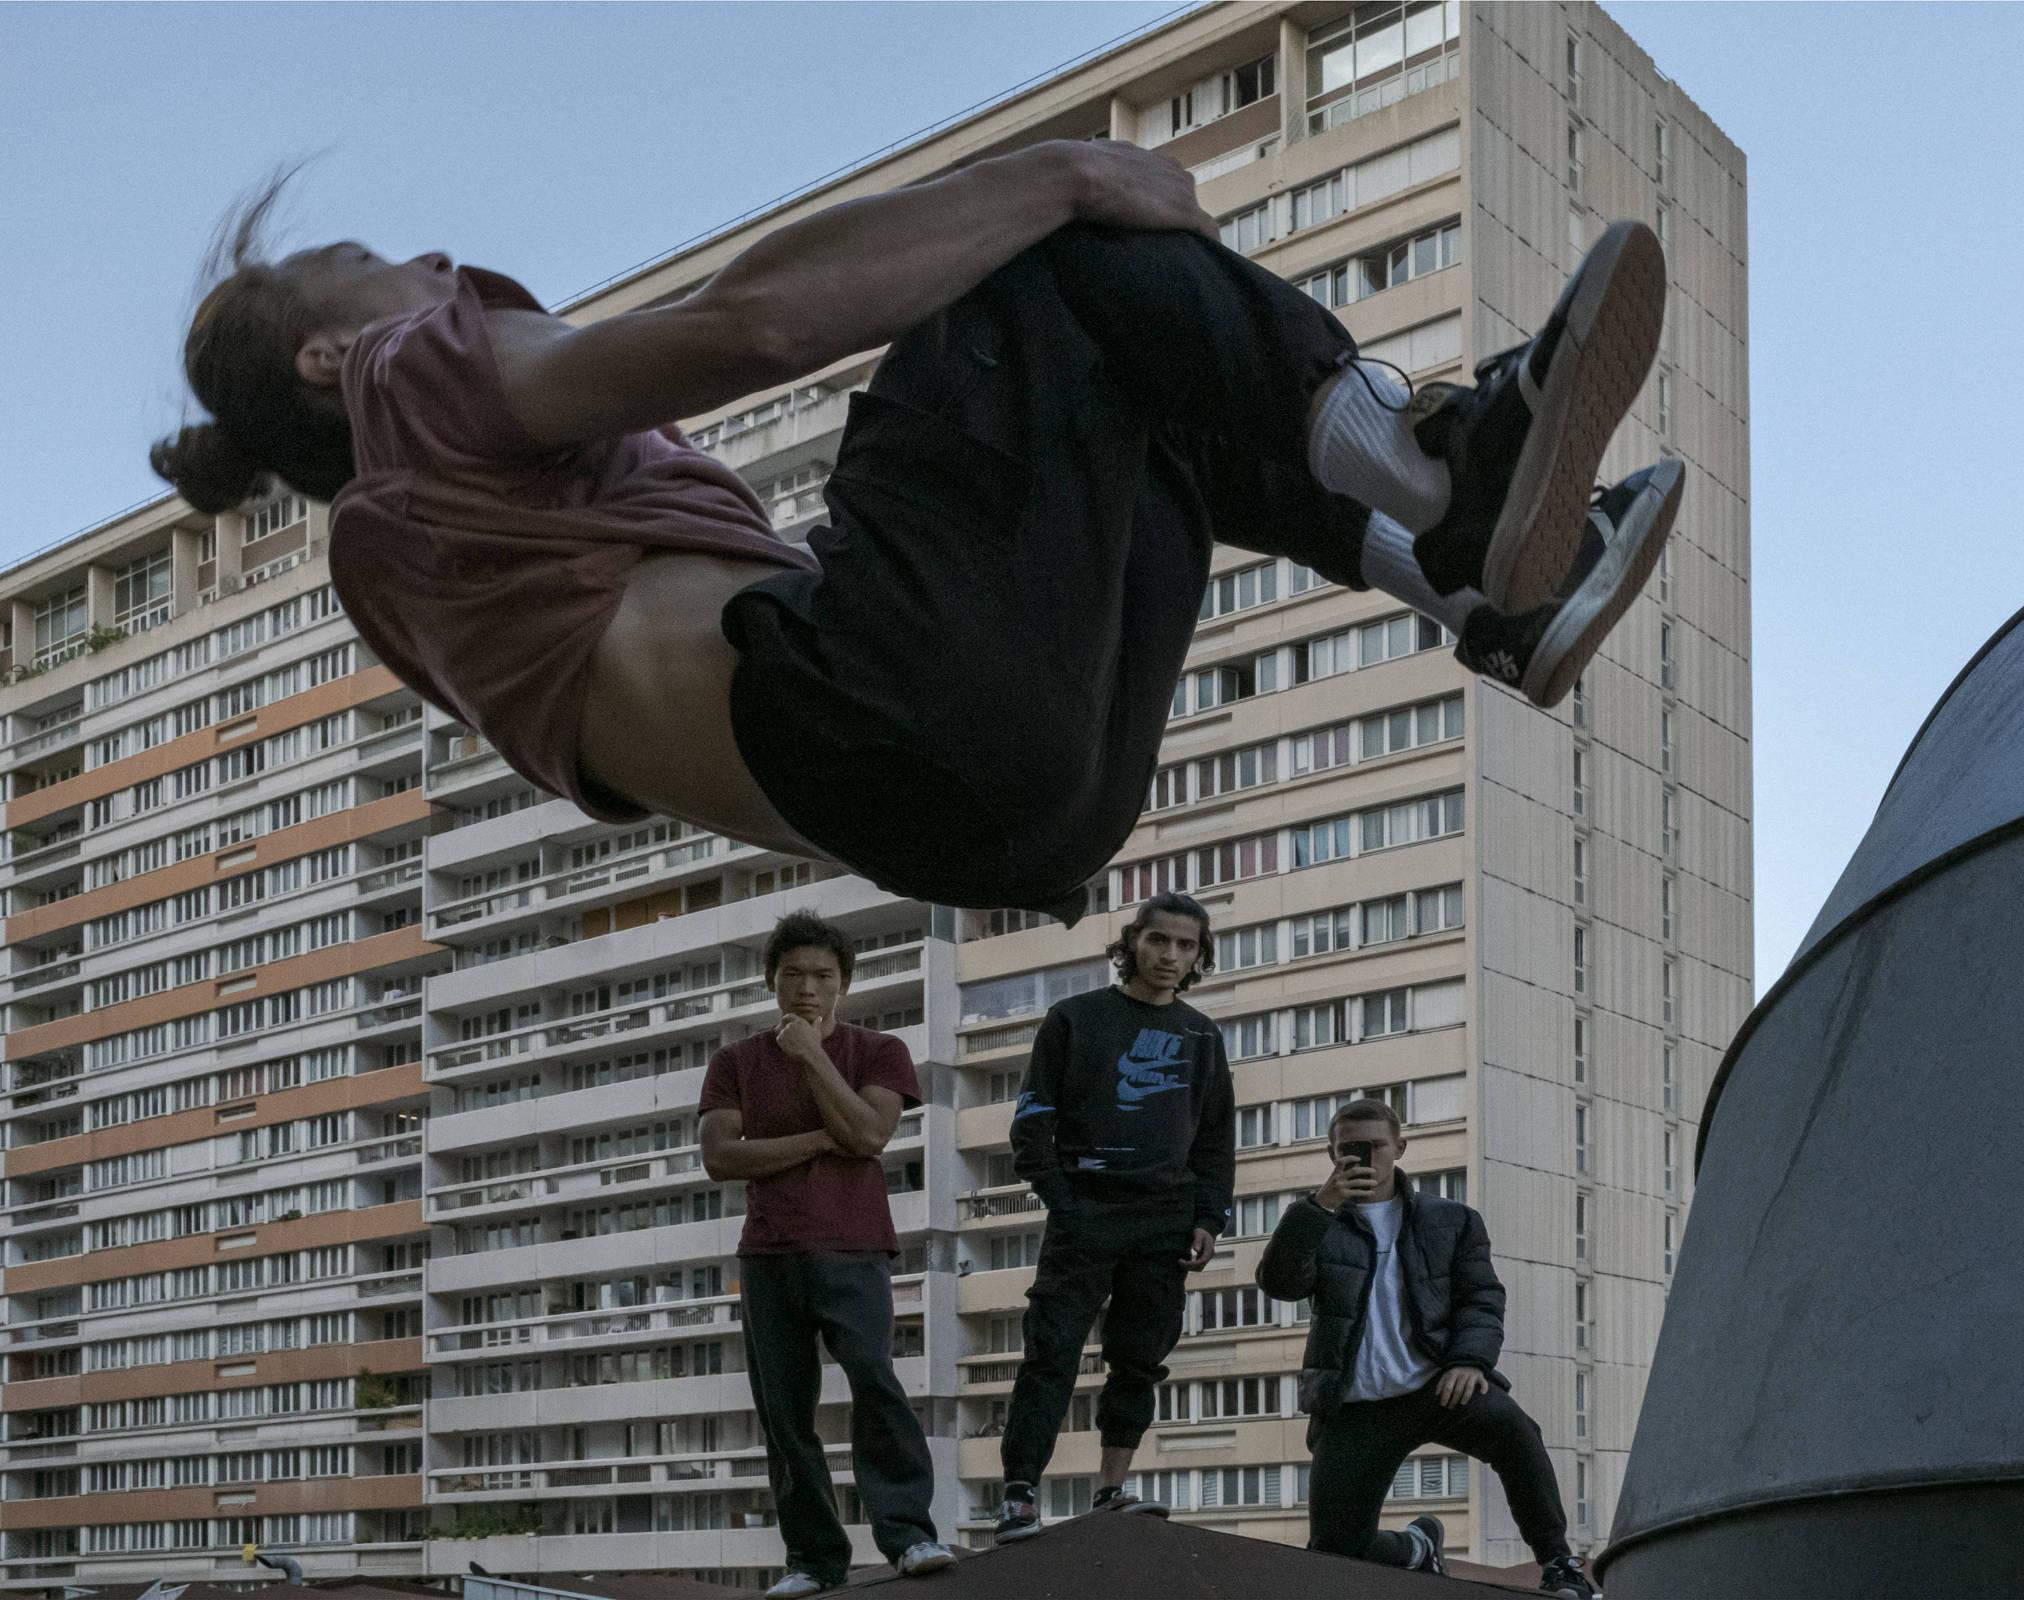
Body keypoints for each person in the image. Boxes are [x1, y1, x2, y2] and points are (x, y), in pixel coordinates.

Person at [150, 146, 1680, 922]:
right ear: (318, 361)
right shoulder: (403, 384)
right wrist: (1060, 174)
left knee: (1135, 408)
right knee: (1032, 260)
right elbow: (753, 320)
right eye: (372, 263)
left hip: (1000, 820)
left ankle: (1477, 586)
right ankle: (1442, 478)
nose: (426, 260)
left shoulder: (421, 574)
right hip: (884, 711)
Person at [697, 912, 955, 1593]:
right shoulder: (735, 1063)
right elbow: (720, 1156)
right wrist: (817, 1141)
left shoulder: (878, 1051)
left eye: (822, 976)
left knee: (876, 1383)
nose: (807, 988)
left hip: (854, 1246)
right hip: (768, 1255)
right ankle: (813, 1558)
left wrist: (810, 1054)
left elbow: (870, 1135)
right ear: (771, 981)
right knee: (785, 1411)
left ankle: (909, 1535)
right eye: (793, 975)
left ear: (844, 983)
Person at [1257, 1099, 1598, 1599]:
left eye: (1375, 1146)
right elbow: (1280, 1283)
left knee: (1515, 1431)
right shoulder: (1316, 1220)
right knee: (1335, 1548)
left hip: (1438, 1386)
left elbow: (1482, 1298)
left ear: (1400, 1147)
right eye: (1349, 1149)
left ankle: (1558, 1561)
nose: (1365, 1158)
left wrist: (1470, 1360)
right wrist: (1318, 1208)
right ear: (1332, 1153)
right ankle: (1416, 1549)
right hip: (1356, 1405)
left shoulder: (1452, 1220)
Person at [991, 892, 1233, 1541]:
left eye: (1186, 946)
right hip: (1085, 1212)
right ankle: (1018, 1496)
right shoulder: (1076, 1019)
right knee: (1052, 1353)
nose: (1171, 956)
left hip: (1166, 1221)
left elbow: (1214, 1141)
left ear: (1199, 955)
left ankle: (1111, 1490)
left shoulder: (1202, 1036)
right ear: (1133, 942)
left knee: (1138, 1359)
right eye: (1160, 941)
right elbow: (1032, 1124)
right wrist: (1066, 1203)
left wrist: (1209, 1217)